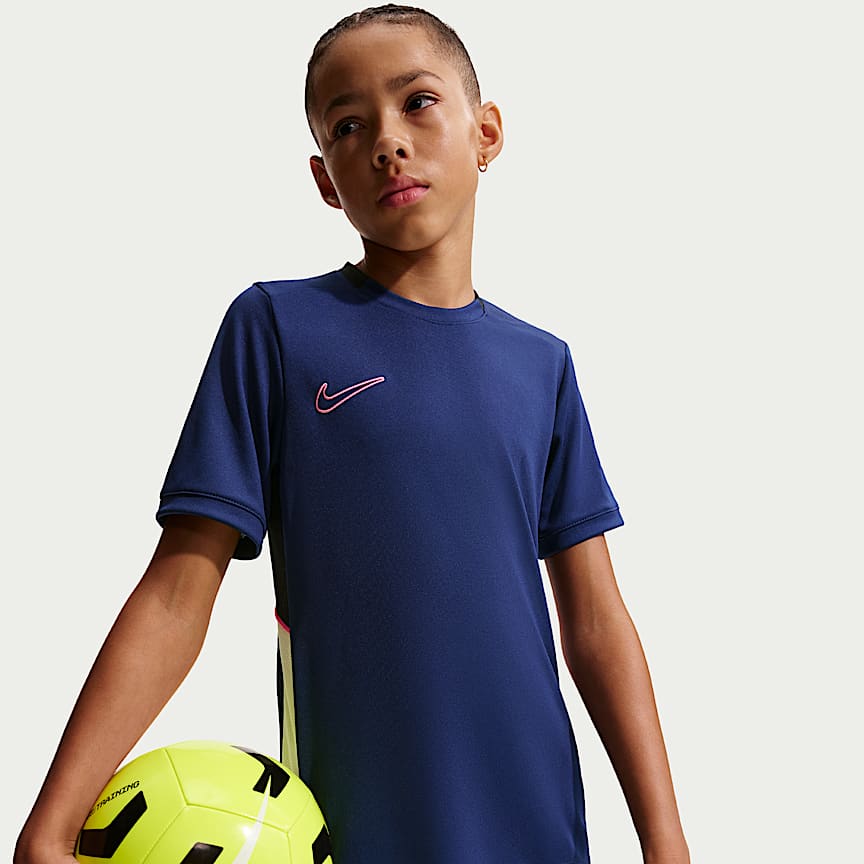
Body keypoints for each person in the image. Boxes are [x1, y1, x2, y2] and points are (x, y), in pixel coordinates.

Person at [15, 5, 689, 863]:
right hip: (358, 829)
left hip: (538, 829)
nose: (387, 142)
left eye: (418, 103)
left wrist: (666, 841)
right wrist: (52, 822)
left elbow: (595, 623)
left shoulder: (542, 365)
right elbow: (178, 594)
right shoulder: (277, 329)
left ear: (486, 132)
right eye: (348, 125)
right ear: (325, 180)